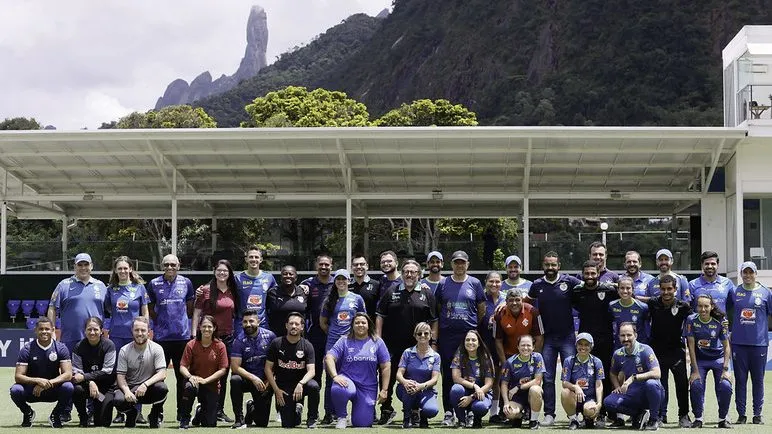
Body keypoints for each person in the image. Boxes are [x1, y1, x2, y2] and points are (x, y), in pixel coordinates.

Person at [376, 260, 438, 425]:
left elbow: (434, 320)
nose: (409, 275)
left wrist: (433, 343)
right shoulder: (392, 291)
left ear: (419, 274)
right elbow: (380, 315)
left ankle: (415, 410)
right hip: (392, 345)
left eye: (413, 272)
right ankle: (386, 409)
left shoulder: (427, 293)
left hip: (419, 347)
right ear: (402, 274)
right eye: (406, 272)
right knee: (387, 377)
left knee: (417, 376)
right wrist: (378, 340)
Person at [46, 252, 106, 422]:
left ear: (92, 266)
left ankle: (93, 409)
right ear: (75, 267)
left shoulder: (101, 286)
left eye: (86, 264)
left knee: (92, 375)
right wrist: (51, 331)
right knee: (70, 377)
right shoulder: (64, 285)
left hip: (94, 341)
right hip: (70, 339)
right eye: (80, 265)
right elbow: (52, 308)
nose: (83, 268)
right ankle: (66, 410)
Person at [526, 251, 581, 426]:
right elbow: (525, 302)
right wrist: (503, 305)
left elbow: (588, 287)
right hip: (547, 339)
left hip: (567, 338)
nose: (550, 268)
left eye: (553, 265)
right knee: (547, 378)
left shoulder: (570, 282)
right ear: (543, 265)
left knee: (572, 377)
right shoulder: (537, 285)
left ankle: (576, 413)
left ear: (559, 266)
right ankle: (549, 414)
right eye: (547, 265)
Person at [435, 250, 486, 427]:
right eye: (456, 262)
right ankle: (449, 412)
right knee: (449, 375)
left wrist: (470, 326)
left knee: (471, 374)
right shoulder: (443, 283)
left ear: (467, 264)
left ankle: (470, 411)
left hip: (468, 336)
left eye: (462, 262)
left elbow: (481, 309)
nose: (459, 265)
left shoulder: (475, 283)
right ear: (452, 264)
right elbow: (439, 307)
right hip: (448, 336)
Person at [146, 253, 195, 422]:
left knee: (182, 378)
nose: (169, 268)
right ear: (162, 266)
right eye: (166, 265)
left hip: (182, 338)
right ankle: (157, 412)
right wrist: (161, 323)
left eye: (173, 265)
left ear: (179, 266)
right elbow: (151, 309)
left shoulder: (186, 283)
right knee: (158, 376)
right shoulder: (153, 284)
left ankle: (182, 413)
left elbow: (189, 309)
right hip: (161, 338)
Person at [570, 260, 618, 426]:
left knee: (605, 378)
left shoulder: (609, 290)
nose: (590, 276)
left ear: (598, 273)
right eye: (587, 274)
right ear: (582, 275)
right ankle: (581, 412)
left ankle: (606, 412)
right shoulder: (577, 292)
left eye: (593, 273)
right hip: (585, 344)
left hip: (605, 341)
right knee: (583, 377)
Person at [192, 259, 240, 423]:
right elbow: (197, 313)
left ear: (229, 273)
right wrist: (194, 334)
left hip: (227, 338)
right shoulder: (205, 290)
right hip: (207, 338)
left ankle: (219, 409)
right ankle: (201, 405)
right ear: (214, 271)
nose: (222, 273)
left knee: (223, 374)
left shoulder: (233, 290)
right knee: (203, 372)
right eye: (219, 270)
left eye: (225, 271)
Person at [104, 256, 149, 425]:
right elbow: (109, 309)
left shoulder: (139, 288)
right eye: (119, 268)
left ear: (131, 269)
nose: (122, 271)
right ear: (115, 271)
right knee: (119, 374)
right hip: (116, 336)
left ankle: (138, 412)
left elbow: (145, 312)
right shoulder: (111, 290)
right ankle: (120, 411)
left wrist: (145, 332)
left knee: (137, 373)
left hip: (135, 337)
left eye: (125, 268)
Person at [325, 312, 391, 428]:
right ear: (353, 325)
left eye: (363, 322)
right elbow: (329, 357)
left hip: (367, 386)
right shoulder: (344, 340)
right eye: (357, 323)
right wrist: (335, 376)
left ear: (368, 325)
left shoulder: (377, 342)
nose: (360, 325)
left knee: (363, 424)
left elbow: (385, 366)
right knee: (339, 389)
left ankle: (355, 416)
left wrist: (384, 389)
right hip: (347, 381)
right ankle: (342, 417)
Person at [727, 261, 771, 425]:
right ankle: (742, 414)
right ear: (740, 274)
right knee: (740, 380)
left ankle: (757, 414)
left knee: (758, 380)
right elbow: (726, 311)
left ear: (755, 273)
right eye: (744, 272)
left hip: (759, 344)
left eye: (750, 272)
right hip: (738, 344)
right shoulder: (734, 292)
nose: (747, 275)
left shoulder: (766, 293)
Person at [10, 317, 74, 428]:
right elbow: (18, 376)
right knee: (15, 390)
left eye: (47, 329)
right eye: (41, 329)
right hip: (32, 390)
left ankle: (56, 415)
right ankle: (27, 412)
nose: (44, 331)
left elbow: (68, 374)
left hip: (52, 389)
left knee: (69, 387)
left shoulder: (61, 348)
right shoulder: (27, 349)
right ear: (36, 330)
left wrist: (47, 383)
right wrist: (37, 381)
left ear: (53, 330)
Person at [646, 274, 692, 427]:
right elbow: (640, 301)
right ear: (659, 289)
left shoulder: (683, 306)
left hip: (676, 351)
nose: (666, 292)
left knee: (681, 384)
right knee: (660, 385)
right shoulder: (653, 303)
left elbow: (696, 318)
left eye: (669, 289)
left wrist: (719, 317)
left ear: (675, 289)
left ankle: (684, 415)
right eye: (663, 289)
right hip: (657, 351)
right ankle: (660, 416)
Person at [320, 269, 366, 423]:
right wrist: (336, 335)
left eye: (344, 279)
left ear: (349, 280)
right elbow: (323, 323)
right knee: (330, 379)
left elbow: (362, 319)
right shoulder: (329, 300)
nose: (341, 282)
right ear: (335, 281)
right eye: (338, 279)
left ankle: (354, 412)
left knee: (352, 378)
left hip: (352, 345)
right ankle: (329, 413)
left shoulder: (357, 298)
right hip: (333, 345)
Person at [107, 317, 167, 428]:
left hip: (148, 389)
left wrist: (145, 384)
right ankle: (132, 413)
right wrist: (126, 391)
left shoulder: (157, 348)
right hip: (130, 388)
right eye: (136, 330)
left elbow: (162, 373)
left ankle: (155, 414)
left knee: (162, 388)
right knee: (118, 400)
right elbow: (120, 376)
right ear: (132, 331)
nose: (140, 333)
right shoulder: (124, 350)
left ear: (149, 331)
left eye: (143, 330)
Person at [603, 323, 664, 431]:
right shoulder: (618, 354)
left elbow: (657, 373)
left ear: (635, 335)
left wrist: (633, 377)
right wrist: (617, 386)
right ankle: (639, 414)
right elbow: (613, 373)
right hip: (631, 395)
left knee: (652, 384)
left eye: (629, 335)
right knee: (608, 402)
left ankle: (654, 420)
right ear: (618, 337)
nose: (626, 338)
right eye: (622, 335)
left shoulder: (645, 350)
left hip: (649, 393)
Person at [684, 295, 732, 429]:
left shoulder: (720, 321)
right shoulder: (691, 320)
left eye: (706, 306)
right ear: (696, 307)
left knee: (725, 386)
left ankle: (723, 419)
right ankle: (698, 419)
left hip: (718, 358)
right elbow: (691, 346)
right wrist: (694, 370)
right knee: (696, 384)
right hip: (700, 359)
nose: (703, 309)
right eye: (700, 306)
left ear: (712, 307)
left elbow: (727, 346)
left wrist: (726, 369)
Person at [264, 312, 320, 428]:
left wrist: (301, 383)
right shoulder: (277, 343)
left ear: (302, 327)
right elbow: (268, 369)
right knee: (288, 424)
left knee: (314, 386)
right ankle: (297, 411)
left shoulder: (307, 345)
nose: (294, 326)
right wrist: (276, 390)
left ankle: (312, 418)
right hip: (284, 387)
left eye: (297, 324)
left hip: (301, 385)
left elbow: (312, 371)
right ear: (286, 326)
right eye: (291, 323)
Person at [229, 309, 277, 428]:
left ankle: (251, 408)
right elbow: (235, 367)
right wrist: (253, 378)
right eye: (245, 322)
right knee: (235, 380)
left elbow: (276, 363)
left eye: (251, 321)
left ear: (258, 322)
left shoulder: (270, 336)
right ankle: (239, 419)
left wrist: (269, 381)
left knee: (262, 423)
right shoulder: (239, 340)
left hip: (264, 382)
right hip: (247, 379)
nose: (248, 324)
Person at [178, 315, 229, 429]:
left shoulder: (220, 346)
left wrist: (206, 380)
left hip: (211, 385)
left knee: (210, 424)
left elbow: (223, 370)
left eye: (209, 327)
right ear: (199, 327)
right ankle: (185, 418)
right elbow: (182, 366)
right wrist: (190, 377)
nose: (207, 329)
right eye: (204, 326)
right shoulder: (191, 344)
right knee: (188, 387)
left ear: (214, 328)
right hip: (194, 382)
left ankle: (200, 413)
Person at [301, 254, 334, 426]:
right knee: (314, 376)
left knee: (331, 376)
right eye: (321, 264)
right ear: (316, 266)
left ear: (331, 266)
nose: (324, 267)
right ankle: (309, 413)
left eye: (327, 264)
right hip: (313, 337)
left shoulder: (337, 283)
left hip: (333, 337)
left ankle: (330, 413)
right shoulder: (308, 284)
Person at [71, 317, 116, 427]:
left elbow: (107, 371)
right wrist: (90, 381)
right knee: (76, 390)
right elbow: (77, 374)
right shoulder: (78, 347)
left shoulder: (109, 345)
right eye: (89, 329)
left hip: (105, 388)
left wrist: (86, 377)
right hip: (86, 387)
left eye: (95, 329)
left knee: (102, 423)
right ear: (84, 331)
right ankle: (83, 416)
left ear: (101, 331)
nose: (92, 332)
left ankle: (97, 410)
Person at [396, 322, 441, 428]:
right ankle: (407, 417)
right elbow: (399, 374)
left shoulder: (435, 356)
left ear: (431, 335)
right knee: (410, 388)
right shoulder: (407, 352)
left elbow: (434, 380)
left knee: (432, 410)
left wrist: (420, 386)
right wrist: (405, 382)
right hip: (407, 389)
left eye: (426, 333)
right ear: (415, 336)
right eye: (419, 333)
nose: (423, 336)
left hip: (425, 390)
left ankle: (423, 417)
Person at [450, 330, 494, 428]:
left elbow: (489, 384)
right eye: (468, 340)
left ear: (479, 343)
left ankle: (477, 420)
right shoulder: (459, 356)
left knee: (480, 407)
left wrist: (472, 397)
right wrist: (474, 386)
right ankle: (461, 420)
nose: (470, 342)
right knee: (456, 389)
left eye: (474, 340)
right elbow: (456, 378)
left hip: (482, 393)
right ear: (464, 342)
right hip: (465, 391)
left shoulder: (486, 358)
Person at [560, 333, 605, 430]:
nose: (583, 347)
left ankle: (588, 418)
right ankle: (573, 420)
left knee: (590, 411)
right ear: (576, 345)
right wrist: (575, 387)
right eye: (580, 344)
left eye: (586, 344)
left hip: (589, 399)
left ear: (591, 346)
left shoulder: (597, 362)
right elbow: (564, 383)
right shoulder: (569, 361)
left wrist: (599, 404)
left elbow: (599, 385)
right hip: (574, 398)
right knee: (565, 392)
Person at [500, 334, 545, 429]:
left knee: (536, 389)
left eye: (528, 345)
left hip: (532, 395)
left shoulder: (537, 357)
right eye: (523, 345)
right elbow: (504, 384)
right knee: (509, 413)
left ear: (533, 347)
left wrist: (518, 387)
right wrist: (506, 402)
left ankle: (533, 421)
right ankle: (521, 416)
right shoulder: (510, 362)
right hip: (517, 397)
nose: (526, 348)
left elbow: (537, 380)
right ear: (518, 347)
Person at [479, 271, 506, 423]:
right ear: (486, 282)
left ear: (501, 283)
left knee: (498, 381)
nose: (494, 284)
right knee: (483, 379)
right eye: (491, 281)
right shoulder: (481, 299)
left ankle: (495, 413)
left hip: (502, 346)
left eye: (497, 282)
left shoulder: (506, 300)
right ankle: (473, 412)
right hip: (484, 345)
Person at [235, 246, 277, 331]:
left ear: (261, 259)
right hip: (242, 324)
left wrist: (303, 286)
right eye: (251, 257)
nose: (254, 259)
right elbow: (221, 285)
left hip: (262, 324)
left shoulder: (269, 277)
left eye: (256, 257)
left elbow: (279, 293)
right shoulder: (237, 278)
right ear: (246, 259)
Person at [494, 290, 543, 361]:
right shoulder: (499, 315)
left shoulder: (533, 312)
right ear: (506, 301)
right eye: (511, 300)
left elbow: (539, 338)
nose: (514, 303)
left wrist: (533, 360)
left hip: (528, 354)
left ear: (522, 300)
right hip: (509, 356)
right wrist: (504, 363)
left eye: (517, 300)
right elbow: (498, 341)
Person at [265, 265, 310, 335]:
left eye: (291, 274)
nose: (288, 276)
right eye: (285, 274)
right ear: (281, 278)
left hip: (298, 337)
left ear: (296, 278)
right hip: (277, 336)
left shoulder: (303, 292)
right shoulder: (272, 293)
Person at [609, 276, 650, 347]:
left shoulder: (643, 307)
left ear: (633, 290)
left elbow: (647, 330)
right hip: (619, 347)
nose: (625, 291)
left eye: (628, 288)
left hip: (638, 347)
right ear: (618, 290)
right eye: (622, 288)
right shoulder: (612, 306)